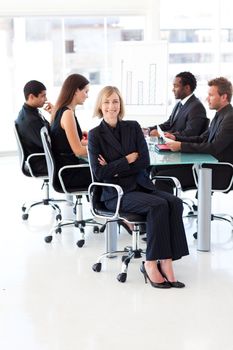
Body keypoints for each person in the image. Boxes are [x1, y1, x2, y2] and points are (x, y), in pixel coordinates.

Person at [88, 86, 189, 289]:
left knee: (175, 202)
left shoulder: (133, 127)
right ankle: (150, 263)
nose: (111, 106)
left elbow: (144, 161)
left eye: (115, 101)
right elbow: (100, 174)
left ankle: (166, 260)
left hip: (141, 185)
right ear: (100, 105)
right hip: (116, 193)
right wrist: (127, 159)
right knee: (157, 206)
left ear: (120, 104)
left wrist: (113, 166)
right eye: (107, 102)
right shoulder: (95, 135)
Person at [154, 77, 233, 193]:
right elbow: (202, 138)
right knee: (157, 169)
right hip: (206, 166)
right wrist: (176, 138)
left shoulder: (230, 118)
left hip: (218, 172)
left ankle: (168, 210)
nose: (207, 99)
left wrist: (181, 146)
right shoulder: (220, 115)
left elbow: (215, 147)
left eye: (211, 95)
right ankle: (166, 207)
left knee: (163, 178)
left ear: (224, 97)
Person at [50, 73, 92, 189]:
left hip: (66, 169)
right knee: (109, 173)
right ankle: (102, 206)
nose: (87, 96)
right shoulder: (67, 114)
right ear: (75, 91)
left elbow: (76, 143)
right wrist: (102, 149)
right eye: (86, 91)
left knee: (106, 168)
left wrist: (97, 142)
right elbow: (78, 151)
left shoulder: (61, 111)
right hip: (69, 173)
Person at [144, 71, 208, 138]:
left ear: (187, 88)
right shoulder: (179, 104)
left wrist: (162, 135)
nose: (173, 89)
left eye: (176, 86)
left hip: (181, 147)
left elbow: (190, 133)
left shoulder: (196, 107)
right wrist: (149, 129)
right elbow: (168, 124)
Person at [15, 80, 52, 175]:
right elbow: (47, 145)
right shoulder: (30, 120)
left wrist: (53, 114)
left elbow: (48, 130)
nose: (46, 99)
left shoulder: (31, 112)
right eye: (43, 96)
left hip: (42, 159)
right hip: (41, 162)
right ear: (31, 97)